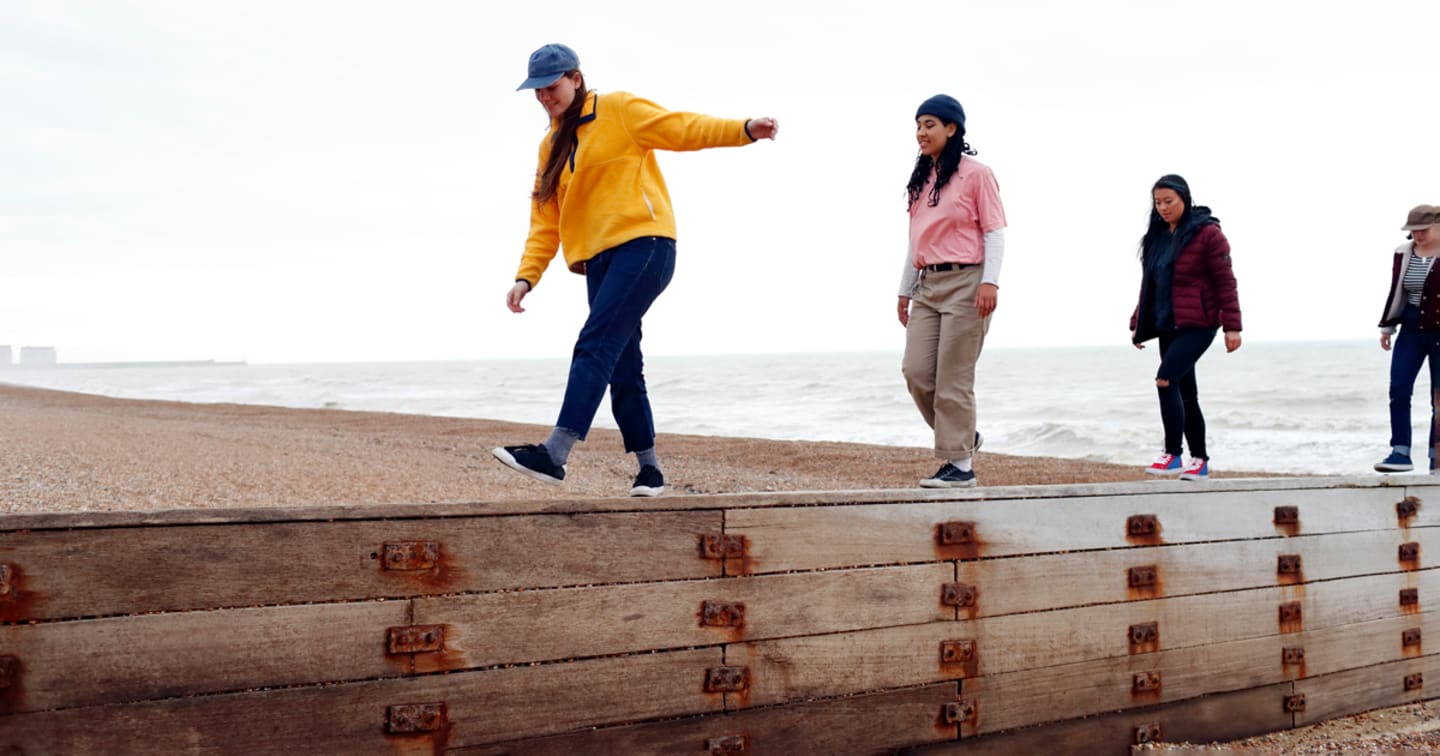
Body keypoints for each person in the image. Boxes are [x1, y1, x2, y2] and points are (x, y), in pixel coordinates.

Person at [492, 43, 778, 497]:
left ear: (575, 79)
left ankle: (555, 454)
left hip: (645, 245)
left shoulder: (618, 109)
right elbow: (545, 221)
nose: (546, 97)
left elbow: (682, 128)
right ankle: (650, 471)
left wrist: (743, 129)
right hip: (597, 261)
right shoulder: (549, 146)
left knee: (595, 342)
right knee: (623, 363)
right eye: (538, 92)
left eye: (552, 87)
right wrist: (527, 276)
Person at [897, 94, 1007, 488]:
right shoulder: (920, 179)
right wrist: (904, 290)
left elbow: (994, 231)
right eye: (918, 124)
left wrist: (990, 281)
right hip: (928, 284)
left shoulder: (977, 174)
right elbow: (916, 240)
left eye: (930, 124)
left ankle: (960, 468)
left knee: (953, 380)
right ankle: (965, 437)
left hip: (968, 282)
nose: (921, 132)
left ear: (952, 129)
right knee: (916, 372)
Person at [1129, 174, 1242, 481]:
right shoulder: (1156, 237)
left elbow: (1225, 281)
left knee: (1165, 380)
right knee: (1186, 393)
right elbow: (1151, 285)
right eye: (1158, 202)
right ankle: (1200, 461)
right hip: (1168, 324)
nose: (1163, 208)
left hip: (1199, 323)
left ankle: (1173, 454)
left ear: (1185, 199)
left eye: (1169, 201)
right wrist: (1138, 322)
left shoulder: (1207, 234)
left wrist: (1232, 326)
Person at [1375, 204, 1440, 473]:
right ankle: (1400, 453)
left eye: (1423, 230)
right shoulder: (1403, 252)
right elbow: (1397, 291)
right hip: (1411, 328)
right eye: (1413, 231)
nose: (1418, 235)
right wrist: (1387, 326)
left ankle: (1437, 458)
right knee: (1399, 389)